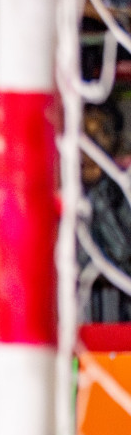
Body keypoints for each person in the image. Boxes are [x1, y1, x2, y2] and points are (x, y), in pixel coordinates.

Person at [81, 103, 131, 322]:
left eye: (99, 135)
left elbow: (122, 253)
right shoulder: (63, 191)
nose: (89, 147)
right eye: (84, 135)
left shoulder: (118, 191)